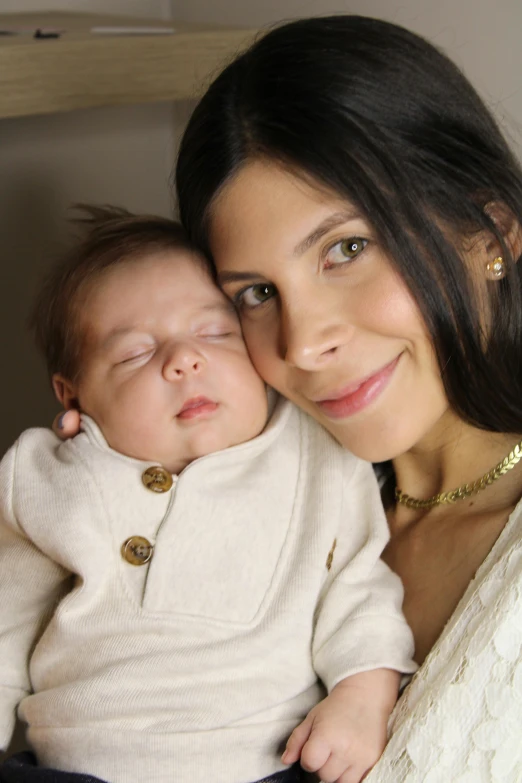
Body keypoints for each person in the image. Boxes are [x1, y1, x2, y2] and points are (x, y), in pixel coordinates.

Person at [171, 14, 522, 782]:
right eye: (258, 292)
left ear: (490, 234)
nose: (301, 343)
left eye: (347, 249)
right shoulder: (264, 502)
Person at [0, 206, 416, 783]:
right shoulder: (46, 478)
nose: (184, 360)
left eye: (216, 333)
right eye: (134, 354)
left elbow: (358, 589)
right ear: (72, 397)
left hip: (265, 762)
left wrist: (362, 697)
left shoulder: (316, 453)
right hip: (78, 766)